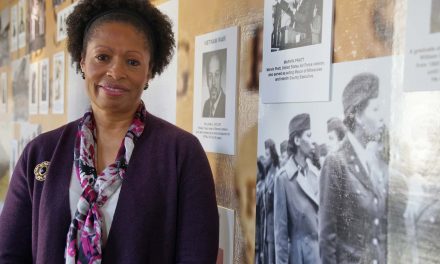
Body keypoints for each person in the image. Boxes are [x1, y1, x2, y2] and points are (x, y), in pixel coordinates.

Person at [0, 0, 219, 263]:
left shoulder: (182, 153)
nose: (116, 72)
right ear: (82, 60)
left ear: (150, 71)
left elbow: (197, 256)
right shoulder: (40, 152)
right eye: (102, 57)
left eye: (132, 62)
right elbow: (9, 254)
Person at [320, 73, 387, 264]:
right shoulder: (336, 162)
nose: (381, 117)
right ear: (357, 115)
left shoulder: (371, 161)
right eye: (375, 109)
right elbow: (327, 239)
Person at [274, 113, 320, 264]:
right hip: (300, 257)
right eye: (309, 135)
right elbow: (280, 235)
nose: (312, 141)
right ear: (297, 140)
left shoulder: (315, 174)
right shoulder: (284, 178)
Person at [262, 139, 279, 264]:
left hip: (273, 227)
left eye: (267, 155)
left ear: (272, 156)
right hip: (266, 227)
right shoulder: (268, 174)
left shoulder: (276, 175)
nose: (265, 159)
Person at [202, 52, 226, 118]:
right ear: (207, 79)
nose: (213, 83)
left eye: (216, 75)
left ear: (221, 76)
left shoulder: (226, 104)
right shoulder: (206, 105)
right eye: (210, 76)